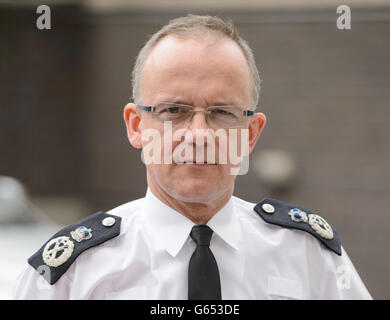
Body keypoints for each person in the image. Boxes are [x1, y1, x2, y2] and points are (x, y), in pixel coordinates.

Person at [14, 14, 371, 300]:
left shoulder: (309, 256)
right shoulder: (73, 272)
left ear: (250, 133)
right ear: (136, 125)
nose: (199, 134)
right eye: (174, 110)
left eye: (222, 112)